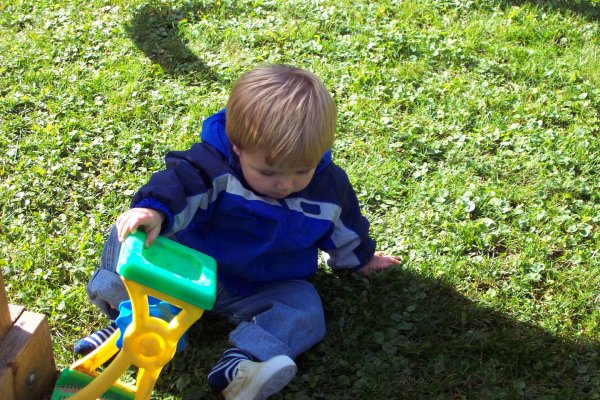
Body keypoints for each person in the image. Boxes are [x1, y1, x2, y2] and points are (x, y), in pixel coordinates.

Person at [75, 64, 400, 400]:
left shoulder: (327, 187)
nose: (285, 184)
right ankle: (129, 326)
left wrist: (360, 259)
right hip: (190, 272)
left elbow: (346, 226)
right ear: (237, 147)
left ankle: (243, 363)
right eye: (268, 171)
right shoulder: (214, 166)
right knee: (129, 234)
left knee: (305, 308)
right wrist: (154, 209)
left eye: (302, 170)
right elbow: (181, 182)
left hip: (262, 285)